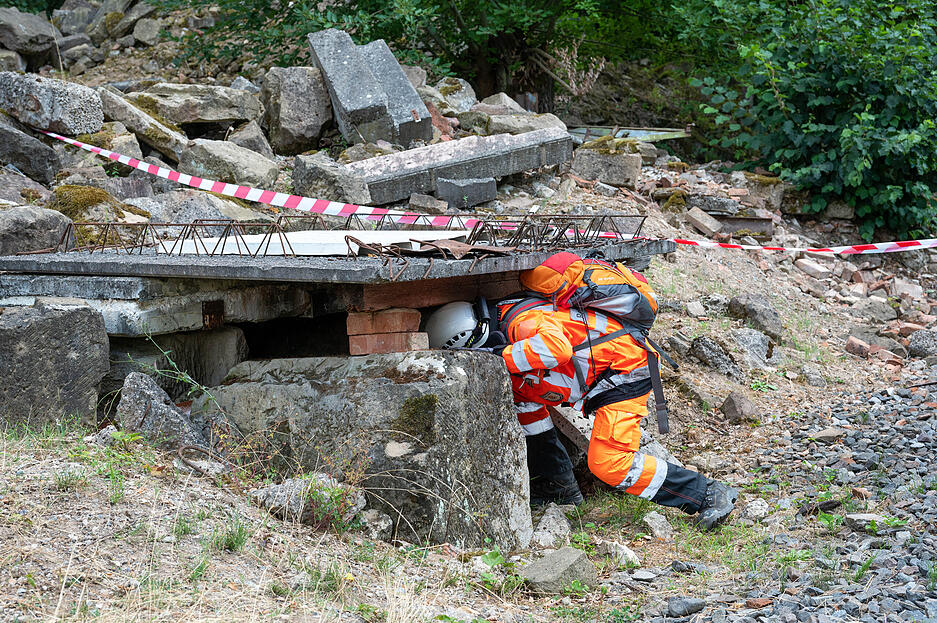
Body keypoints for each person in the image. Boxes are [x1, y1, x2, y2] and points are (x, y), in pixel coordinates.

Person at [425, 296, 738, 531]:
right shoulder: (510, 323)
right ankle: (558, 486)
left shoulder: (522, 321)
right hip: (601, 373)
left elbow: (556, 350)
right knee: (522, 396)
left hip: (624, 370)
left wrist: (497, 358)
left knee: (609, 465)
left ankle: (706, 493)